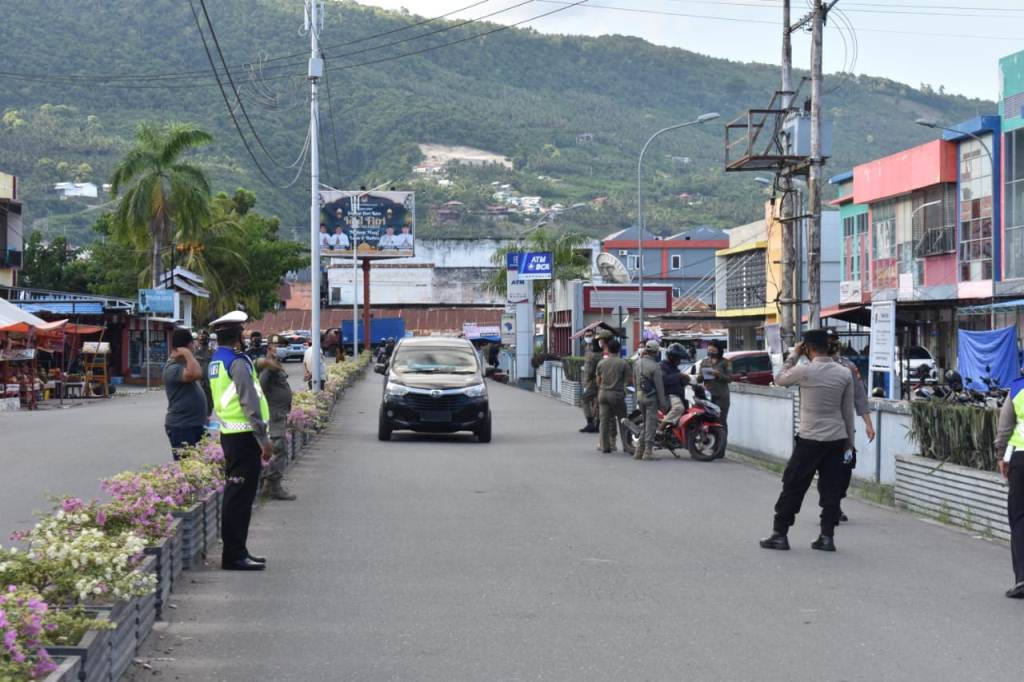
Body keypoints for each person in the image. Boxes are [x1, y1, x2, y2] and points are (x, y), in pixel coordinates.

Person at [760, 329, 855, 553]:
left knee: (793, 485)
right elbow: (847, 412)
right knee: (831, 489)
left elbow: (779, 379)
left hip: (810, 439)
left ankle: (780, 535)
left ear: (808, 348)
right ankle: (827, 537)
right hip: (837, 439)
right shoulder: (844, 373)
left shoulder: (804, 370)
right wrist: (849, 443)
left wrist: (793, 355)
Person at [208, 311, 272, 571]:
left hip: (231, 435)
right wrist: (263, 438)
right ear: (238, 337)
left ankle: (238, 550)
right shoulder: (237, 362)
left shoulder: (217, 360)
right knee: (239, 499)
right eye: (243, 332)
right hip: (245, 436)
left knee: (237, 496)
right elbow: (249, 401)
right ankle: (234, 555)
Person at [826, 328, 876, 523]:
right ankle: (831, 505)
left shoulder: (848, 367)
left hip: (844, 429)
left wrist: (868, 424)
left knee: (846, 467)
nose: (831, 344)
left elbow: (860, 397)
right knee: (826, 469)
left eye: (833, 341)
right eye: (827, 341)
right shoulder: (812, 366)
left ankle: (836, 501)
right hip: (819, 430)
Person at [995, 371, 1024, 598]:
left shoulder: (1017, 388)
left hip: (1021, 460)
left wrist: (1001, 455)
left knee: (1020, 518)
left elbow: (1005, 425)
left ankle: (1022, 579)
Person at [258, 335, 296, 501]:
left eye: (282, 346)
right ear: (269, 349)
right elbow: (259, 388)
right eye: (277, 345)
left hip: (279, 415)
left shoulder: (276, 366)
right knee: (279, 450)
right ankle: (273, 485)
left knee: (279, 450)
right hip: (274, 416)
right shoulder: (269, 368)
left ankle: (270, 485)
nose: (280, 348)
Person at [163, 327, 208, 460]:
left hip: (193, 424)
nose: (194, 346)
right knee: (187, 470)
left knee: (197, 468)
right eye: (192, 343)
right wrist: (188, 353)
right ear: (188, 345)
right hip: (182, 427)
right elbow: (197, 374)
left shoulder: (184, 364)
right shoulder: (172, 368)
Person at [596, 338, 634, 455]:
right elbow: (629, 380)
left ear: (608, 349)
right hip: (617, 394)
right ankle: (626, 446)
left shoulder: (601, 363)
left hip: (603, 393)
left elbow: (598, 380)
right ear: (619, 349)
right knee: (623, 420)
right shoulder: (623, 363)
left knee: (604, 421)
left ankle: (605, 446)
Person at [633, 340, 669, 461]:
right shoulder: (655, 366)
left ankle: (638, 451)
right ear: (655, 352)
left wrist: (637, 396)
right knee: (651, 425)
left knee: (645, 423)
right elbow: (660, 387)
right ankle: (648, 452)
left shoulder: (637, 363)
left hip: (640, 396)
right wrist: (663, 404)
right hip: (651, 398)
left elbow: (634, 381)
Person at [658, 343, 692, 433]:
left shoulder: (675, 368)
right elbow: (664, 380)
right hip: (668, 396)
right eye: (678, 359)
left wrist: (689, 380)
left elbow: (680, 381)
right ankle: (660, 429)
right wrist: (679, 376)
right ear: (672, 357)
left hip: (678, 396)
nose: (679, 361)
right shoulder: (662, 366)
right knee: (679, 408)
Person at [698, 340, 732, 427]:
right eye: (709, 351)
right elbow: (699, 379)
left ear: (719, 351)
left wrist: (718, 375)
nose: (711, 353)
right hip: (708, 396)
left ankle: (722, 440)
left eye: (713, 351)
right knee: (707, 422)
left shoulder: (726, 362)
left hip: (721, 397)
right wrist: (702, 376)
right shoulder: (704, 362)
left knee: (721, 422)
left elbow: (729, 378)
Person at [579, 331, 603, 433]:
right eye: (586, 335)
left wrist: (586, 381)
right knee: (596, 403)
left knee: (585, 399)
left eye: (590, 336)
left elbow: (590, 371)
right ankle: (596, 423)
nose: (588, 337)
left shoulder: (594, 356)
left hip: (593, 382)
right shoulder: (600, 354)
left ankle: (590, 422)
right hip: (600, 382)